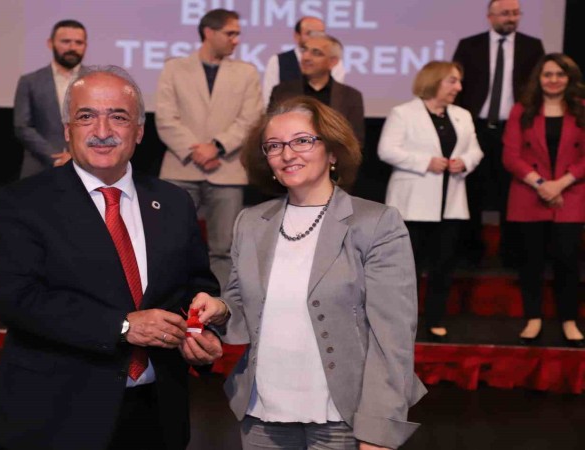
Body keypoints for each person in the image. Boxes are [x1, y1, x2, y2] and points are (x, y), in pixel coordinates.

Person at [0, 65, 224, 450]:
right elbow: (18, 300)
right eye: (86, 116)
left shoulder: (174, 202)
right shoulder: (23, 203)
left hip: (156, 417)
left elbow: (195, 287)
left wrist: (198, 332)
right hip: (55, 417)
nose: (102, 131)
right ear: (67, 130)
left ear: (139, 130)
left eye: (118, 117)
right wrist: (123, 326)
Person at [192, 96, 426, 450]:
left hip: (343, 419)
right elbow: (242, 305)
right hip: (261, 416)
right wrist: (221, 308)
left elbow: (392, 338)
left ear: (332, 152)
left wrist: (379, 430)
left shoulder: (376, 223)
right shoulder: (251, 222)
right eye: (274, 145)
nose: (287, 154)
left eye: (302, 140)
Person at [156, 8, 263, 289]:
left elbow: (251, 119)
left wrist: (216, 147)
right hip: (181, 168)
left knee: (224, 249)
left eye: (237, 34)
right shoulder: (174, 68)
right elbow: (165, 118)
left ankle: (219, 304)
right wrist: (196, 151)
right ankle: (171, 300)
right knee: (170, 243)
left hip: (226, 170)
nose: (236, 40)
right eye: (230, 33)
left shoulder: (246, 72)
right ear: (209, 32)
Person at [378, 61, 484, 342]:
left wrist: (465, 162)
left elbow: (476, 150)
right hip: (413, 205)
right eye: (452, 81)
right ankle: (402, 323)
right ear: (435, 80)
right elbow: (386, 150)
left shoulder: (462, 115)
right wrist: (425, 161)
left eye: (459, 81)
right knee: (407, 269)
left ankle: (435, 319)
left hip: (450, 204)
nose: (458, 87)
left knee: (443, 265)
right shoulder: (403, 113)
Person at [502, 53, 585, 347]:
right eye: (547, 74)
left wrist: (560, 184)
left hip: (570, 194)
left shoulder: (581, 109)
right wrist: (541, 184)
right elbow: (511, 156)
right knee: (531, 262)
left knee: (568, 261)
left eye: (560, 74)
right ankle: (533, 318)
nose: (553, 80)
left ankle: (569, 320)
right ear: (538, 78)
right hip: (529, 194)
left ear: (569, 78)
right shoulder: (522, 110)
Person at [452, 0, 544, 264]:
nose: (511, 18)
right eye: (505, 13)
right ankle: (470, 251)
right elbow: (458, 88)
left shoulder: (532, 46)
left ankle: (511, 252)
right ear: (490, 16)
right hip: (476, 127)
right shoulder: (469, 45)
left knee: (511, 190)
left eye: (515, 13)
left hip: (515, 128)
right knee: (472, 188)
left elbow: (536, 90)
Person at [14, 20, 87, 178]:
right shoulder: (30, 81)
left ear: (85, 46)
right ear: (50, 43)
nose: (72, 47)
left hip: (88, 167)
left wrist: (74, 155)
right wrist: (54, 156)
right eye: (66, 41)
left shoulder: (96, 81)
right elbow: (22, 126)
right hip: (39, 167)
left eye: (79, 42)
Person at [269, 34, 364, 147]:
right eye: (304, 50)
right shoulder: (282, 91)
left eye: (316, 53)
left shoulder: (351, 96)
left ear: (333, 62)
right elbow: (271, 133)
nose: (306, 57)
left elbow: (355, 141)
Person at [262, 16, 346, 107]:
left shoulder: (333, 62)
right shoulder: (278, 61)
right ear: (297, 36)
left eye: (321, 33)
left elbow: (336, 98)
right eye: (309, 33)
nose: (315, 37)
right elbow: (268, 100)